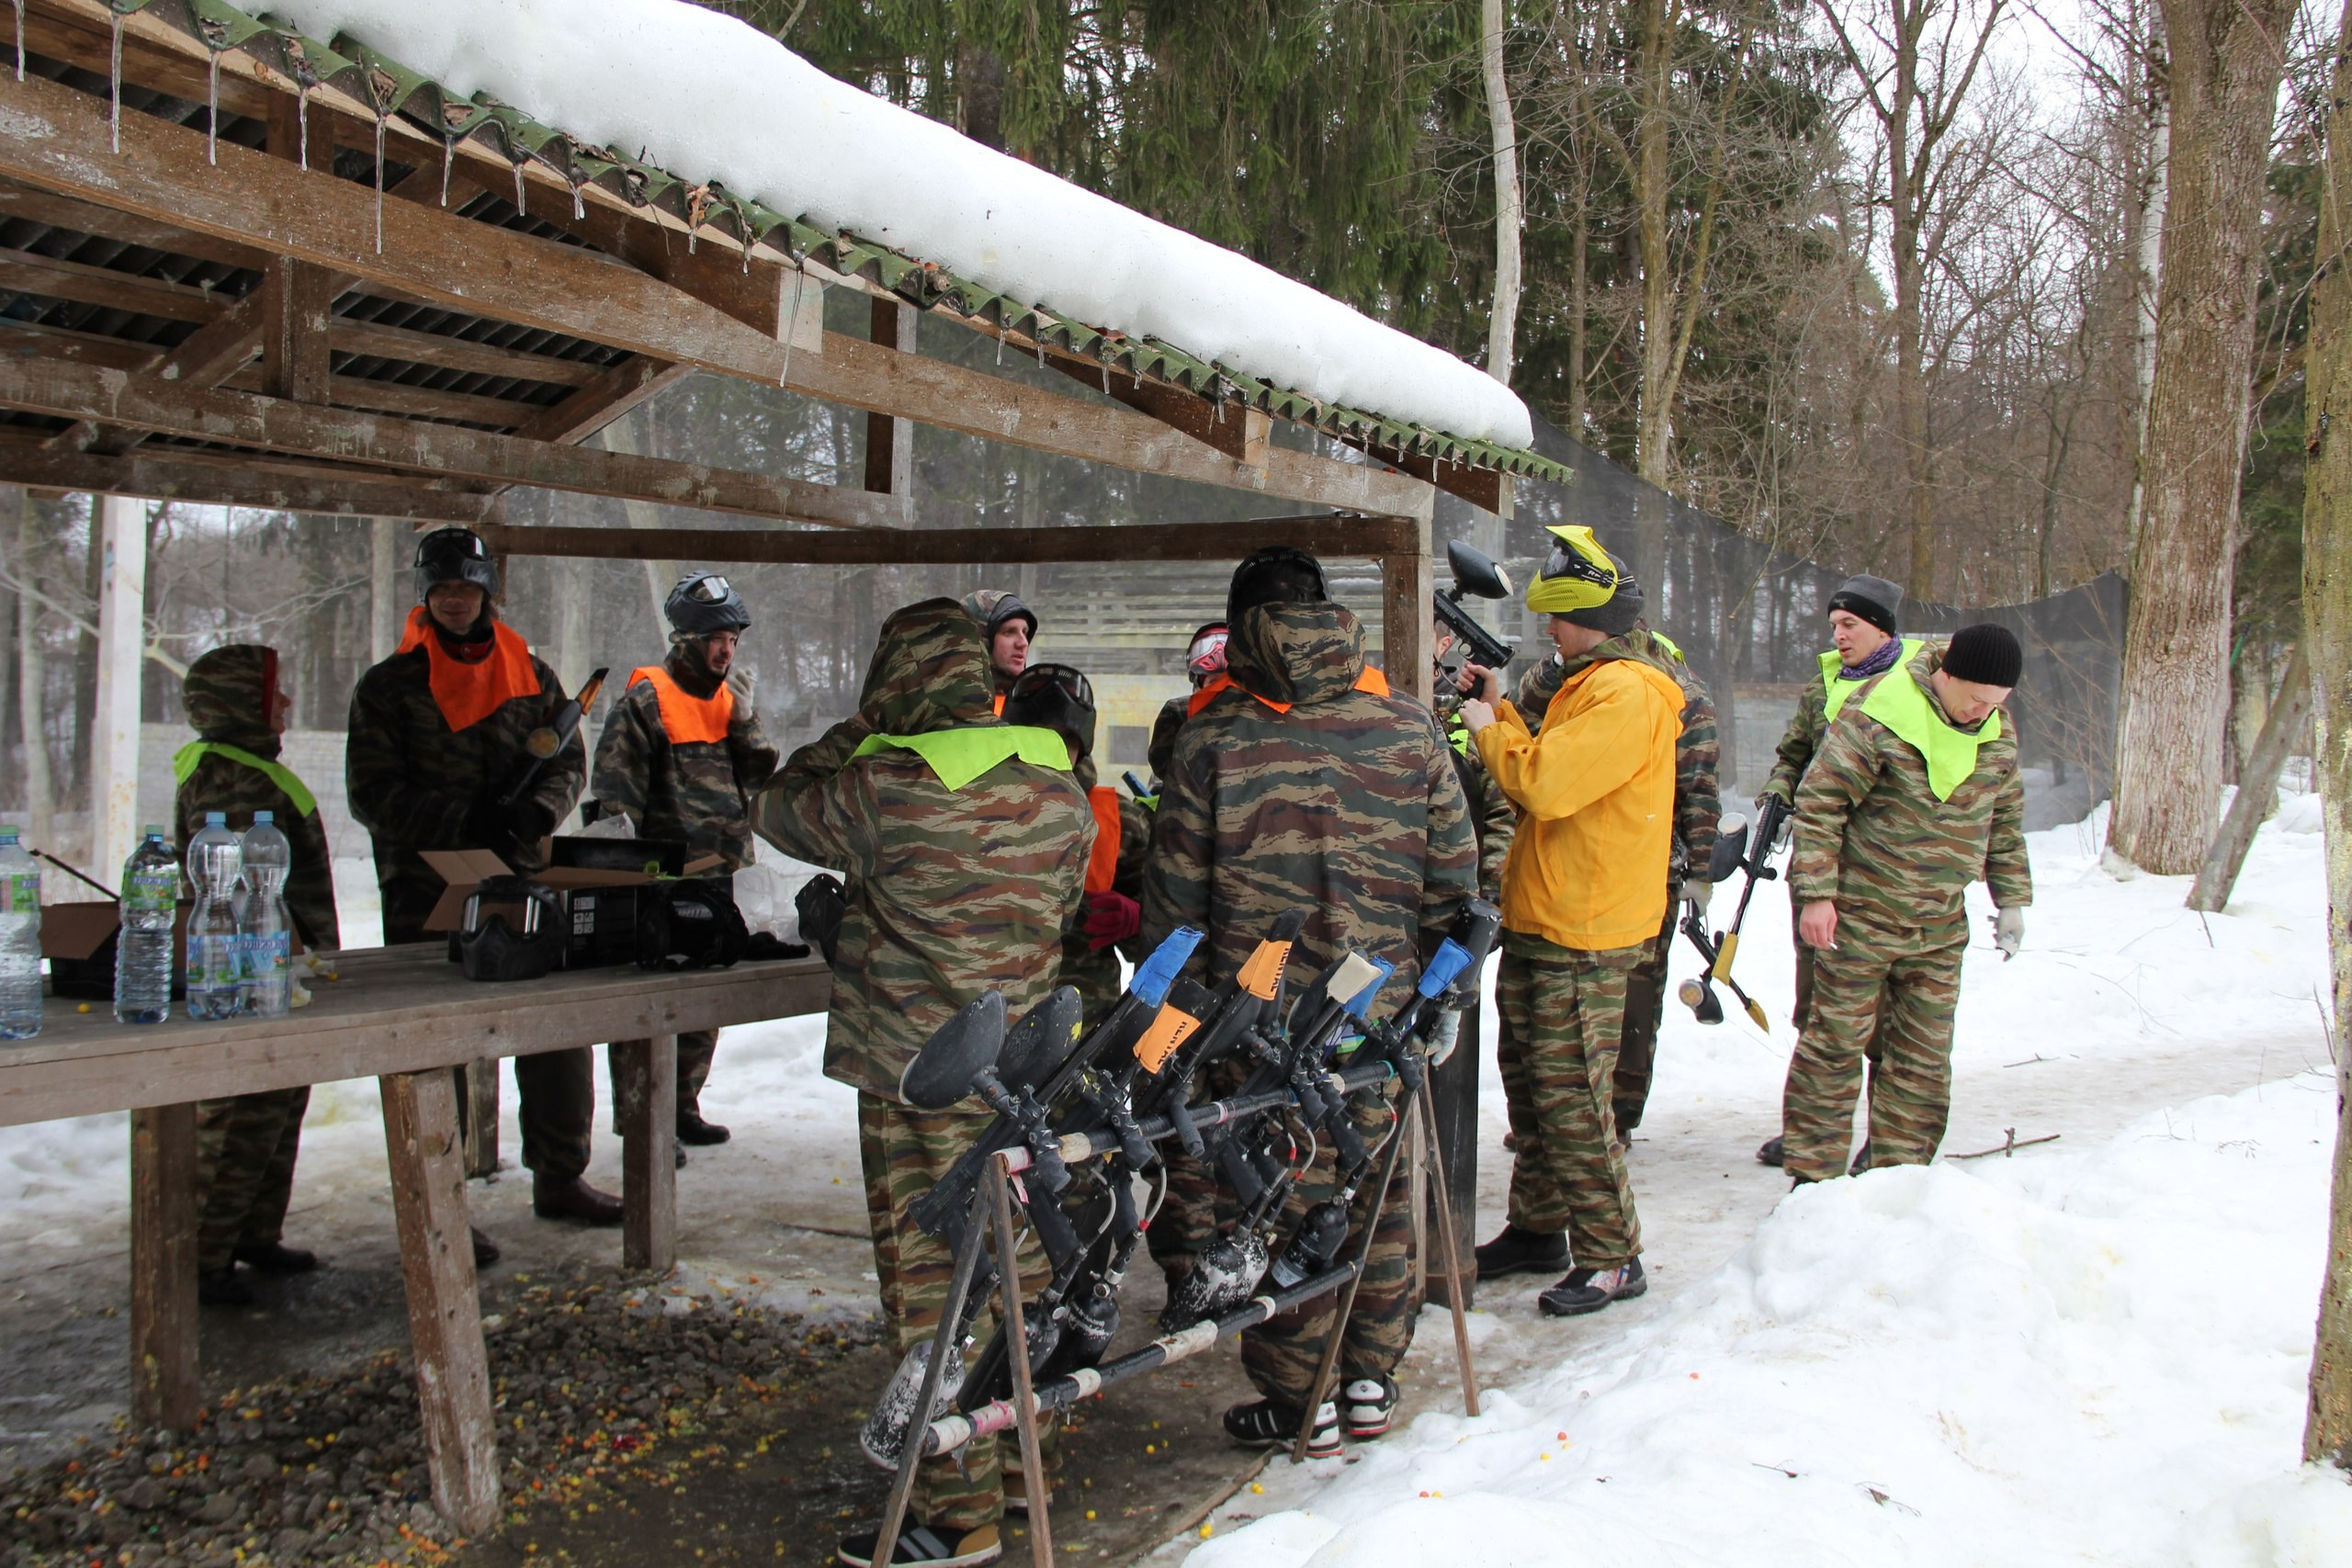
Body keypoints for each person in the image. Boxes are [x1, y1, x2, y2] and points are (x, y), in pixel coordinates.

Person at [752, 599, 1091, 1568]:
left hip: (918, 1085)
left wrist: (864, 727)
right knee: (1021, 1282)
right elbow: (1060, 910)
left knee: (932, 1298)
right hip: (1023, 1079)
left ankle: (954, 1517)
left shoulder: (880, 786)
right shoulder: (1057, 781)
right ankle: (1025, 1477)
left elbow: (773, 804)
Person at [1141, 546, 1475, 1456]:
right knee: (1375, 1189)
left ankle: (1299, 1395)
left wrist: (1161, 1027)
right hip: (1380, 1017)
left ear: (1242, 628)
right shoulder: (1410, 729)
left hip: (1259, 1025)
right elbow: (1456, 888)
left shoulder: (1214, 739)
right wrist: (1439, 997)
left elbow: (1172, 909)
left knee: (1274, 1196)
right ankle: (1368, 1376)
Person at [346, 527, 613, 1253]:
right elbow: (372, 792)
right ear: (425, 597)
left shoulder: (531, 672)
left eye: (466, 588)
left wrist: (536, 811)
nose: (455, 601)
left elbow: (568, 761)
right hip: (424, 887)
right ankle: (440, 1202)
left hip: (517, 880)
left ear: (487, 590)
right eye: (442, 591)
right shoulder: (389, 685)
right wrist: (464, 818)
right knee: (434, 1048)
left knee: (556, 1028)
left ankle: (560, 1174)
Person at [1459, 525, 1683, 1316]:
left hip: (1584, 933)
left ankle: (1614, 1254)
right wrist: (1495, 712)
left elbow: (1546, 788)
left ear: (1588, 615)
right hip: (1544, 919)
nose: (1547, 630)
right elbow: (1545, 777)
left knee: (1572, 1099)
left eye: (1556, 617)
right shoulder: (1584, 686)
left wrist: (1489, 728)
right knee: (1533, 1092)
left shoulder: (1627, 693)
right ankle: (1539, 1228)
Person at [1779, 625, 2031, 1185]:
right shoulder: (1883, 713)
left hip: (1939, 924)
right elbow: (1821, 803)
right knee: (1834, 1047)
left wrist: (2011, 898)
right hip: (1861, 918)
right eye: (1974, 699)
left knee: (1921, 1056)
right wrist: (1817, 895)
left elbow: (2005, 817)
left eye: (1996, 705)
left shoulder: (1994, 728)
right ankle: (1811, 1183)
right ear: (1946, 674)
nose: (1981, 713)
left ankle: (1900, 1181)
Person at [1507, 620, 1718, 1150]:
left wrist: (1699, 866)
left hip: (1647, 867)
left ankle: (1618, 1114)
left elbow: (1698, 784)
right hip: (1577, 858)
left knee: (1635, 999)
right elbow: (1525, 706)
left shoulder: (1673, 689)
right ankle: (1566, 1121)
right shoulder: (1577, 675)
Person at [591, 572, 780, 1149]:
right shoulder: (645, 700)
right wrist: (622, 883)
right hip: (660, 882)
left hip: (718, 875)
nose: (726, 650)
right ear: (685, 639)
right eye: (715, 639)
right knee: (647, 1011)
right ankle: (642, 1127)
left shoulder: (730, 701)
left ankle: (681, 1107)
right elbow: (614, 799)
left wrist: (747, 724)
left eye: (733, 639)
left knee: (704, 1002)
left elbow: (760, 777)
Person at [173, 645, 336, 1307]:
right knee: (243, 1110)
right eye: (274, 692)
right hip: (254, 975)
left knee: (279, 1102)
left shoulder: (249, 768)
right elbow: (241, 892)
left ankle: (253, 1231)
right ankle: (204, 1255)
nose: (287, 703)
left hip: (286, 971)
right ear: (243, 701)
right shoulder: (230, 779)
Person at [1753, 574, 1928, 1167]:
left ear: (1882, 625)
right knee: (1818, 1007)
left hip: (1887, 874)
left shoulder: (1915, 687)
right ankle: (1811, 1131)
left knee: (1883, 1019)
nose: (1839, 635)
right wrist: (1778, 796)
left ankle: (1886, 1135)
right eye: (1833, 625)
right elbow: (1794, 753)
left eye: (1849, 624)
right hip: (1820, 868)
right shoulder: (1825, 682)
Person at [1000, 660, 1150, 1026]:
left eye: (1062, 741)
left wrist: (1138, 919)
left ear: (1081, 746)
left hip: (1081, 1024)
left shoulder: (1119, 820)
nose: (1048, 755)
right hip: (989, 1019)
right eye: (1037, 738)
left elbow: (1168, 931)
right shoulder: (977, 808)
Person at [1144, 620, 1228, 788]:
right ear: (1198, 683)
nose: (1220, 691)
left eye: (1228, 683)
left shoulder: (1262, 720)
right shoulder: (1178, 716)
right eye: (1213, 682)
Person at [960, 587, 1037, 710]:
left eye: (1025, 632)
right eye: (1009, 632)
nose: (1023, 643)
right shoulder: (945, 707)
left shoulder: (1036, 704)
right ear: (980, 639)